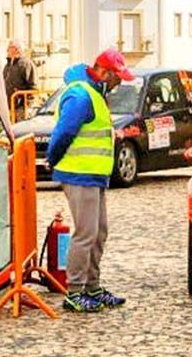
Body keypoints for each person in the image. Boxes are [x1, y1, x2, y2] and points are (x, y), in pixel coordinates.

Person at [46, 49, 133, 313]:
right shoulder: (82, 95)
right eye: (117, 78)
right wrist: (53, 159)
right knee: (86, 233)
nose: (119, 83)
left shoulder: (94, 93)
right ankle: (75, 292)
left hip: (94, 174)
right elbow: (64, 132)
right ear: (104, 72)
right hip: (79, 173)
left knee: (99, 231)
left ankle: (92, 287)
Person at [3, 40, 36, 119]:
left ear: (16, 49)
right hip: (10, 106)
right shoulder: (8, 65)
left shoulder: (25, 64)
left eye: (9, 47)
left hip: (21, 107)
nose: (7, 50)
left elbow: (33, 86)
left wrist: (25, 104)